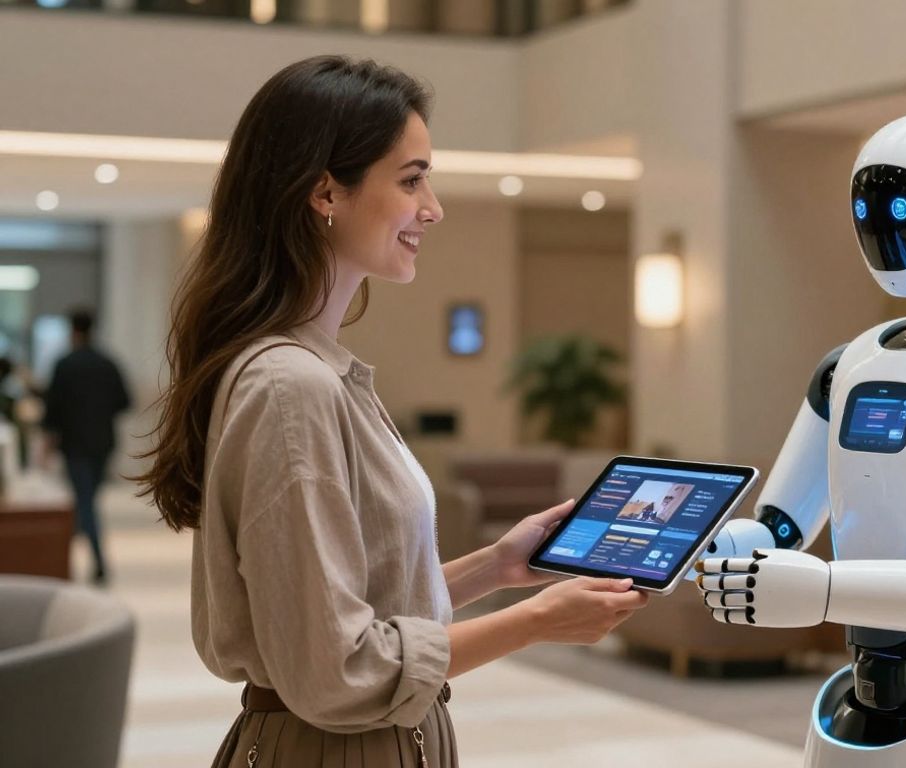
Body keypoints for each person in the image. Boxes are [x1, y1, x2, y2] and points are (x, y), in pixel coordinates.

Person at [135, 56, 648, 767]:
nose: (432, 207)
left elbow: (355, 603)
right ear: (325, 194)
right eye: (411, 180)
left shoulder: (319, 372)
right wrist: (533, 623)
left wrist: (496, 568)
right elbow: (339, 670)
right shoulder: (292, 387)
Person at [42, 308, 131, 584]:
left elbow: (52, 409)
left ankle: (95, 562)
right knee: (87, 500)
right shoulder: (108, 363)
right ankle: (67, 557)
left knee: (85, 502)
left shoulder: (64, 364)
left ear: (72, 330)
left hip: (75, 444)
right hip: (102, 443)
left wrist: (49, 439)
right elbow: (124, 401)